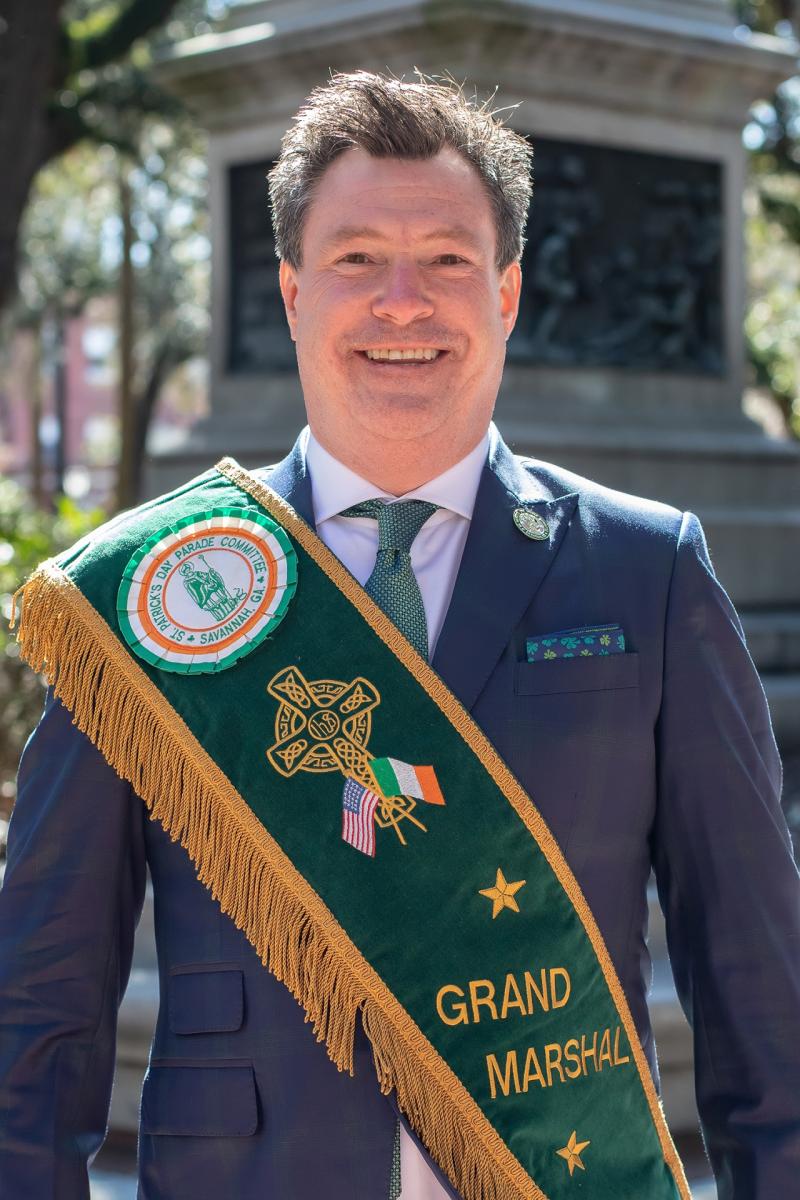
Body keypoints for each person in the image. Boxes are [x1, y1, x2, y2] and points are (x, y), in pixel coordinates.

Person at [1, 71, 799, 1200]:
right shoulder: (153, 597)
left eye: (447, 260)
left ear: (508, 292)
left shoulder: (645, 572)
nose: (402, 301)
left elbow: (760, 994)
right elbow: (36, 1014)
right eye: (356, 258)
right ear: (289, 292)